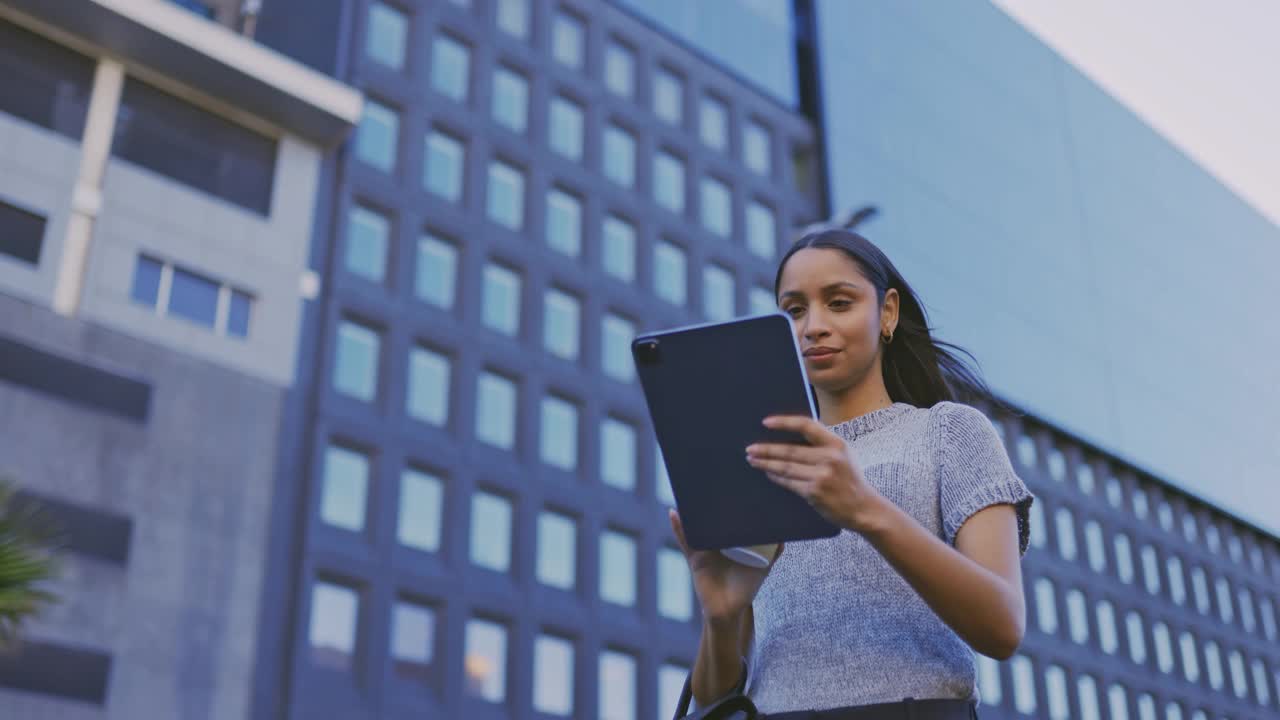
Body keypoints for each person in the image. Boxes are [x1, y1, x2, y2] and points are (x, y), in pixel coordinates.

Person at [668, 229, 1034, 719]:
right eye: (794, 311)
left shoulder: (949, 432)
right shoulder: (766, 461)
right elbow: (716, 699)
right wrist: (721, 617)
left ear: (887, 312)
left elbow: (1003, 625)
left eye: (838, 303)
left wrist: (866, 510)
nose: (812, 326)